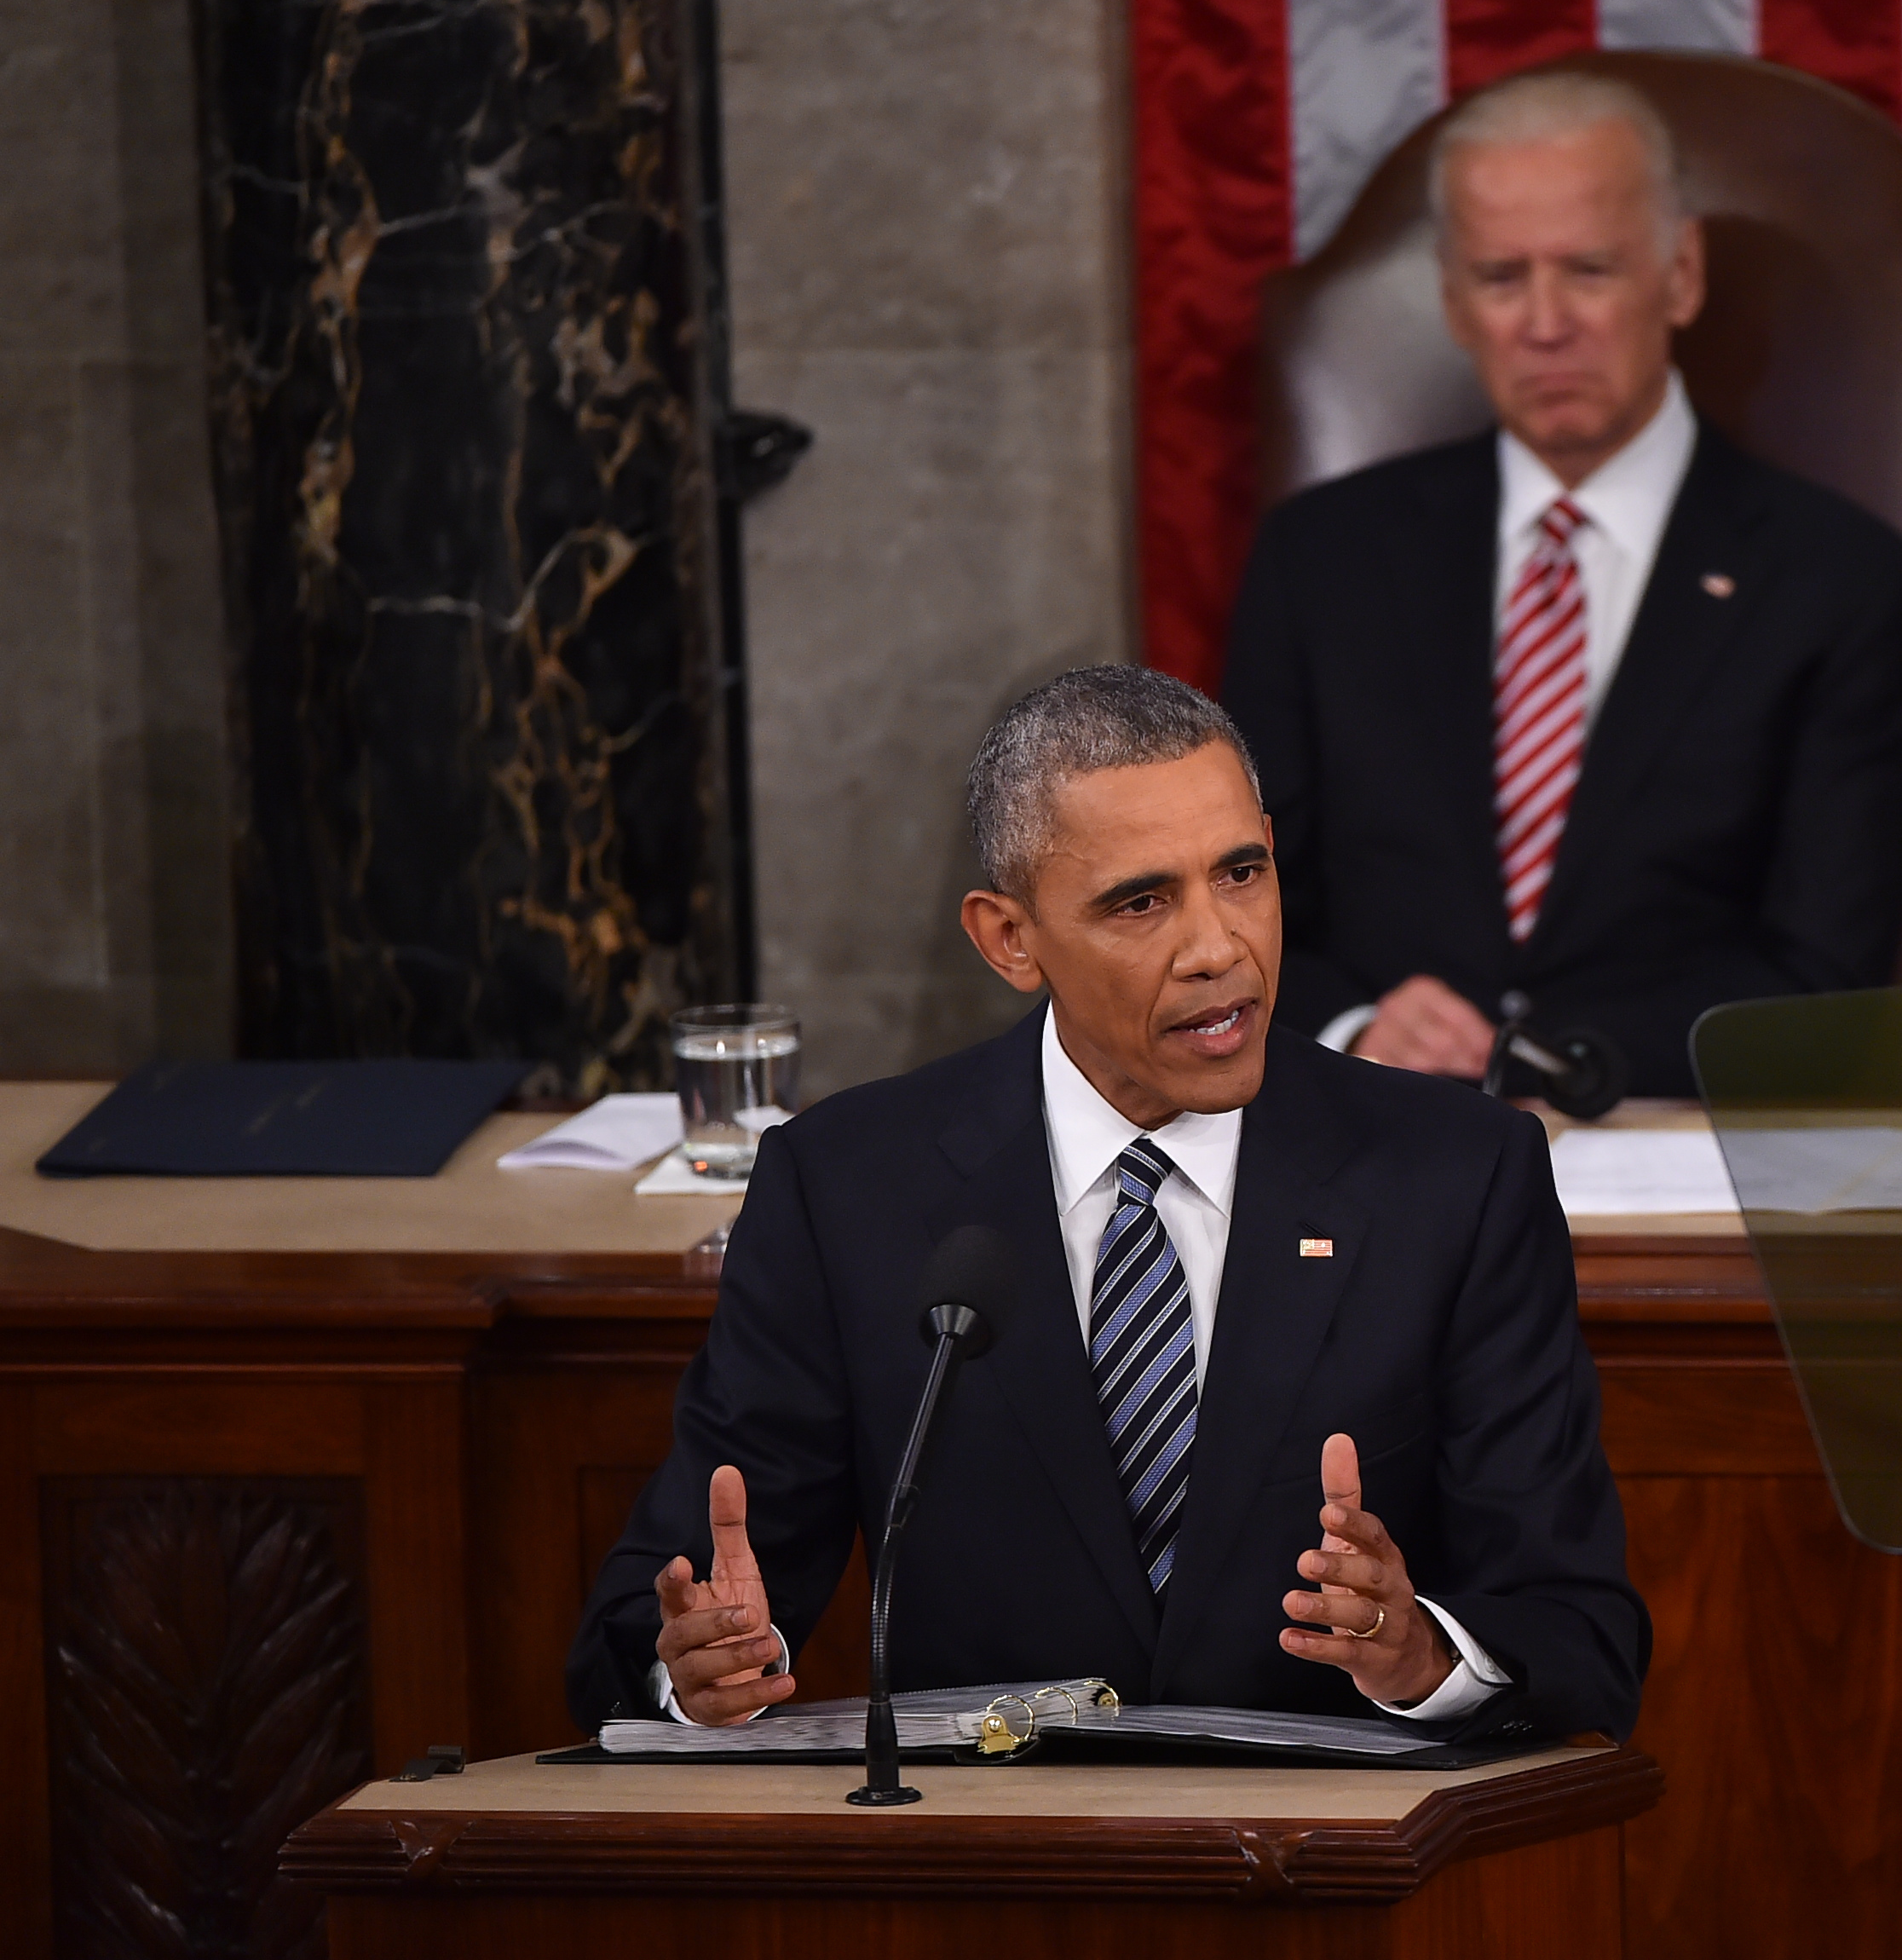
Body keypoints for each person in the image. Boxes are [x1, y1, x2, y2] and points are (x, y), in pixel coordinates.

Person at [566, 666, 1646, 1740]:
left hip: (1345, 1867)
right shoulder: (845, 1187)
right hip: (999, 1870)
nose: (1218, 947)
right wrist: (698, 1667)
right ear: (1009, 938)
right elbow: (658, 1611)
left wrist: (1418, 1654)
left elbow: (1580, 1631)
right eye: (1141, 901)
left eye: (1242, 872)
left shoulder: (1458, 1175)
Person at [1221, 66, 1902, 1100]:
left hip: (1666, 1140)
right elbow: (1231, 902)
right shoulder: (1321, 558)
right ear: (1454, 301)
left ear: (1681, 274)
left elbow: (1820, 971)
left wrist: (1547, 1061)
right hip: (1369, 1136)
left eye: (1590, 270)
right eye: (1503, 277)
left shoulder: (1843, 582)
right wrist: (1353, 1022)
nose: (1545, 322)